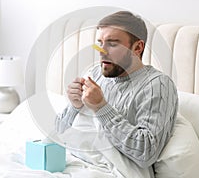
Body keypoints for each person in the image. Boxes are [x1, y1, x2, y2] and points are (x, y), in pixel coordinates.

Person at [56, 11, 178, 177]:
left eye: (112, 44)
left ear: (137, 47)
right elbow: (58, 133)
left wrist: (101, 107)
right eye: (100, 43)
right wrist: (74, 106)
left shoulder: (157, 85)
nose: (102, 51)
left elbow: (146, 153)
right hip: (76, 160)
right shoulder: (96, 73)